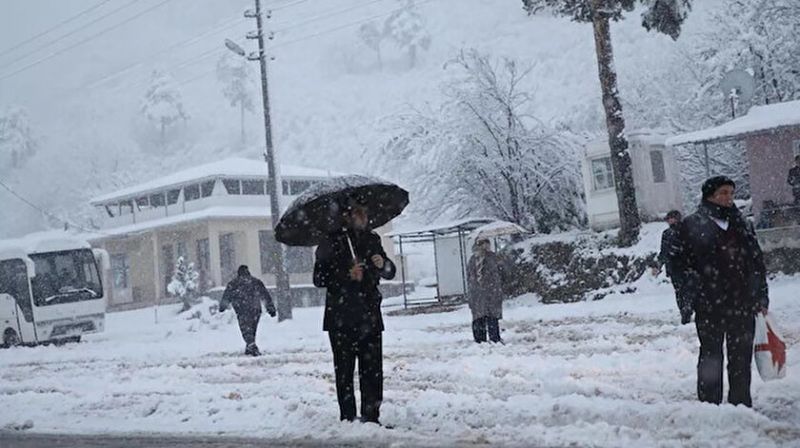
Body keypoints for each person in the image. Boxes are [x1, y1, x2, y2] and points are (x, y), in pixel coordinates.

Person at [670, 176, 769, 407]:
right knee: (711, 356)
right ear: (710, 195)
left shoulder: (742, 224)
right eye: (723, 193)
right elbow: (678, 265)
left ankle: (741, 402)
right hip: (709, 302)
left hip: (742, 301)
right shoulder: (692, 225)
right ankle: (709, 404)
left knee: (741, 356)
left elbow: (756, 262)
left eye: (731, 193)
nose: (728, 198)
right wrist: (691, 293)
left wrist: (761, 294)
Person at [313, 200, 396, 425]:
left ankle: (371, 415)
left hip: (369, 313)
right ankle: (347, 417)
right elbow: (319, 279)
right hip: (341, 317)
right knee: (345, 371)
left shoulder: (372, 239)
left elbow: (390, 272)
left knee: (372, 371)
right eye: (358, 213)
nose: (364, 217)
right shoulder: (330, 243)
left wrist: (382, 264)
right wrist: (346, 275)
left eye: (365, 212)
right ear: (347, 216)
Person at [219, 265, 276, 356]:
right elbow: (265, 295)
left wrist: (222, 307)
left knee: (245, 329)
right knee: (252, 329)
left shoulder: (233, 284)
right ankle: (250, 346)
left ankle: (251, 345)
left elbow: (226, 296)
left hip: (241, 310)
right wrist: (270, 308)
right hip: (255, 309)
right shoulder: (256, 282)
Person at [466, 237, 505, 344]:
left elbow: (470, 277)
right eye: (487, 243)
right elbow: (498, 272)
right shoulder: (491, 258)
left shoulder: (474, 259)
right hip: (489, 291)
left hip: (480, 293)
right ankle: (492, 338)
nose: (488, 246)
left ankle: (481, 339)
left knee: (481, 316)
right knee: (489, 316)